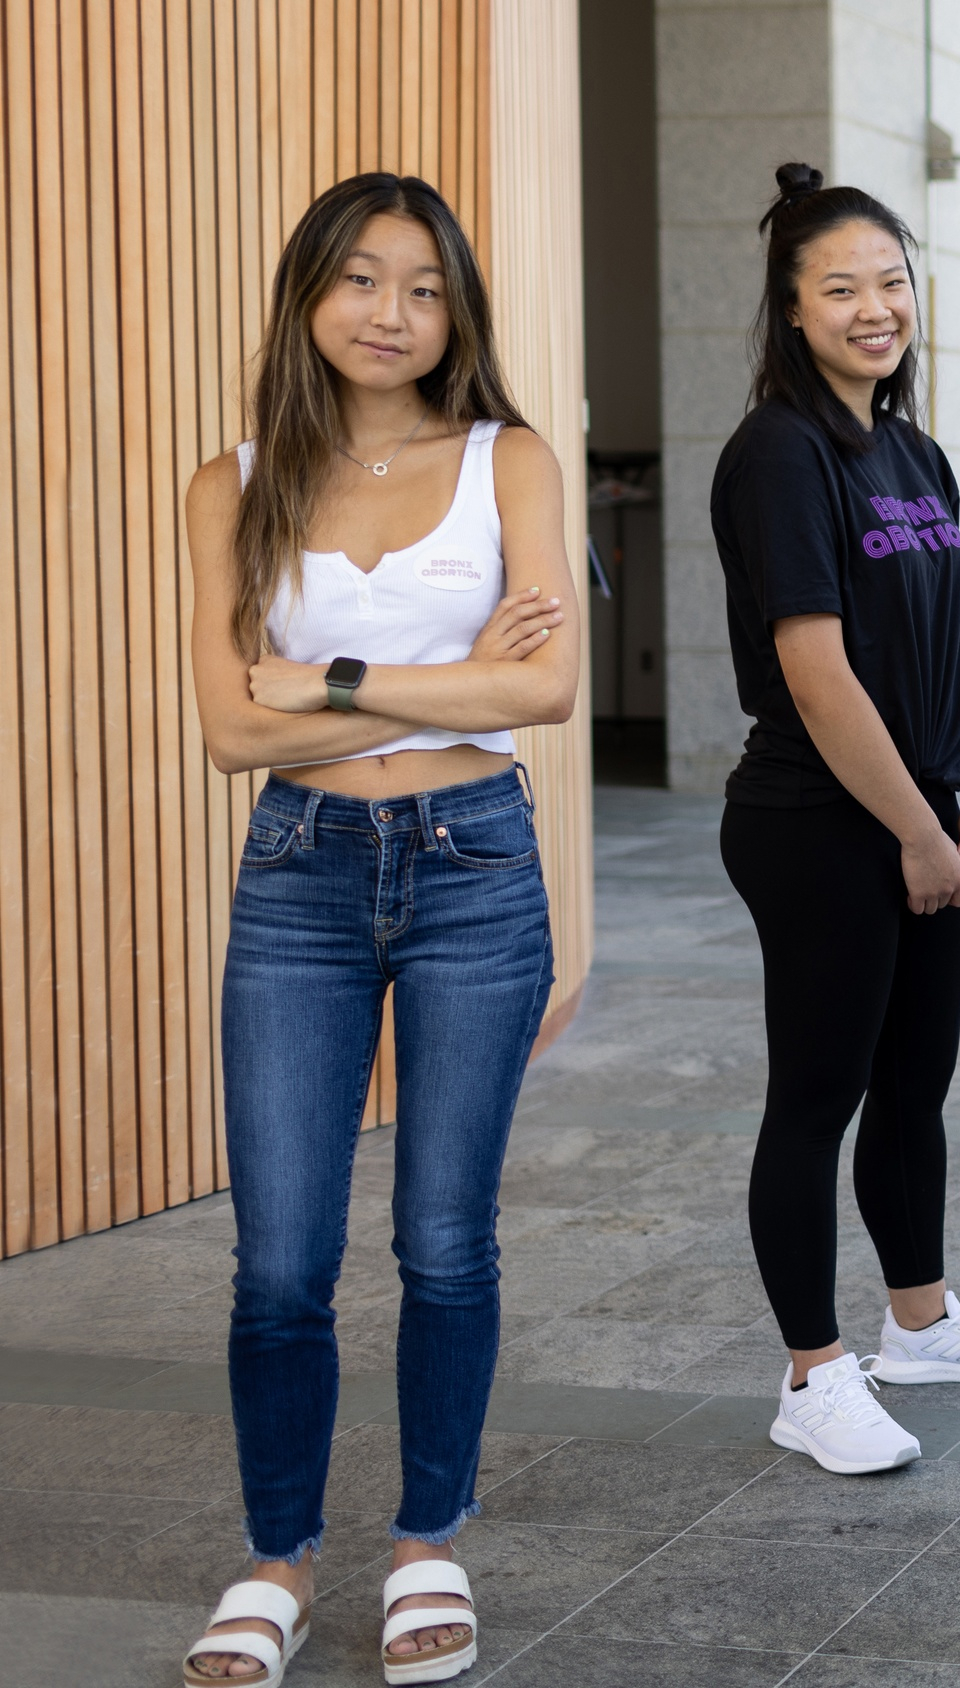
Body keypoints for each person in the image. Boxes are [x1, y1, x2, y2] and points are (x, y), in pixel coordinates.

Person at [179, 172, 579, 1686]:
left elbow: (540, 693)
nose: (390, 313)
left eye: (421, 287)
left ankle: (427, 1543)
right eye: (359, 280)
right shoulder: (233, 483)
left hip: (476, 862)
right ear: (307, 296)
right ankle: (275, 1561)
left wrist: (328, 683)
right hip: (298, 872)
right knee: (279, 1256)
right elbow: (228, 733)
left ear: (454, 310)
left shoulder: (509, 460)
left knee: (441, 1240)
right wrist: (441, 673)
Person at [713, 164, 960, 1483]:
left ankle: (920, 1322)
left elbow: (939, 639)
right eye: (841, 288)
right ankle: (811, 1373)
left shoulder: (913, 450)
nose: (874, 308)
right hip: (818, 820)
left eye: (892, 283)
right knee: (819, 1095)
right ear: (789, 309)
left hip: (922, 817)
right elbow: (817, 669)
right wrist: (911, 827)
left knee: (915, 1085)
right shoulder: (777, 453)